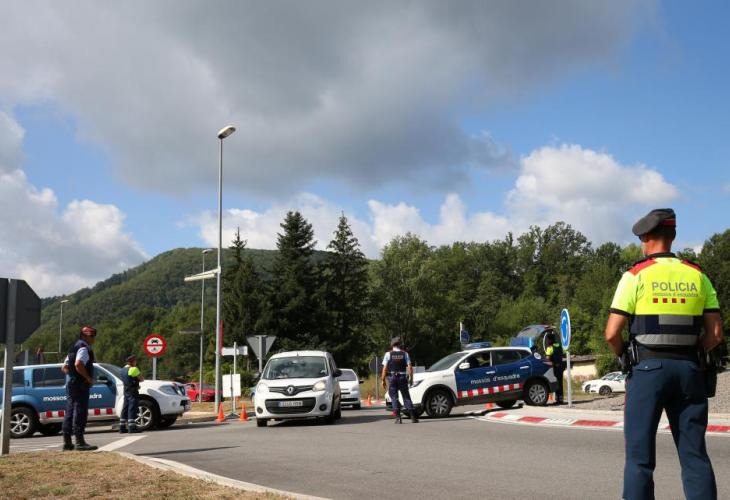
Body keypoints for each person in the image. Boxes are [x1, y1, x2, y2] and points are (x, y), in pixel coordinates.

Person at [604, 208, 723, 500]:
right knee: (695, 455)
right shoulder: (698, 275)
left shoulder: (635, 275)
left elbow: (611, 333)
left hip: (647, 371)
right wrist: (693, 352)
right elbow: (716, 334)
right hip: (690, 372)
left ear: (646, 237)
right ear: (673, 236)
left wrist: (624, 356)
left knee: (640, 458)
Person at [62, 326, 99, 451]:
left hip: (71, 384)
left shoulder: (74, 347)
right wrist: (87, 378)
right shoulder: (83, 348)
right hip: (80, 385)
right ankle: (80, 442)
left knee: (70, 411)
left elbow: (64, 367)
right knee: (80, 411)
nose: (93, 338)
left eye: (94, 335)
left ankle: (67, 442)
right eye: (91, 336)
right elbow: (78, 364)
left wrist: (72, 377)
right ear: (84, 336)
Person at [381, 337, 418, 423]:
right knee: (406, 397)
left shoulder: (388, 354)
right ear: (399, 345)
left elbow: (384, 369)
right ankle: (413, 417)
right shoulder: (405, 354)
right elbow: (410, 367)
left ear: (392, 345)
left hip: (392, 378)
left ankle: (398, 418)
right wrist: (411, 378)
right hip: (402, 377)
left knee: (394, 398)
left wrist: (383, 380)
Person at [119, 355, 144, 433]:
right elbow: (141, 379)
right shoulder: (134, 369)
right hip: (133, 391)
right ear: (132, 362)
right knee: (132, 407)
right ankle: (132, 427)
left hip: (126, 390)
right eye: (135, 361)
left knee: (125, 407)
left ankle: (122, 427)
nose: (136, 362)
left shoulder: (122, 370)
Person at [544, 331, 564, 405]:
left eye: (548, 340)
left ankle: (557, 399)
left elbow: (547, 359)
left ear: (550, 340)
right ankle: (561, 399)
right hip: (561, 367)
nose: (548, 341)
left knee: (555, 383)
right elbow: (562, 354)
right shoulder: (559, 346)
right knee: (560, 383)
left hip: (554, 368)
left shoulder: (550, 348)